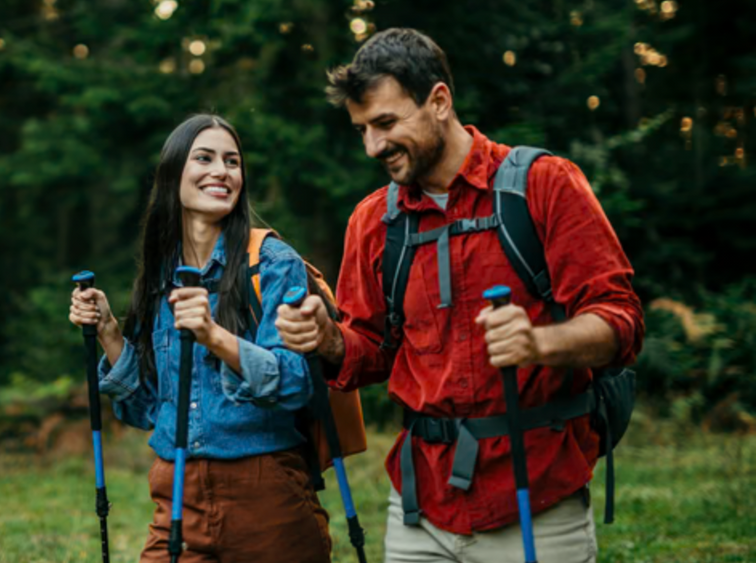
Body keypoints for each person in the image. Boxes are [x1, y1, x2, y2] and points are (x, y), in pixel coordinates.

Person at [276, 28, 644, 563]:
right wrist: (329, 339)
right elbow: (371, 352)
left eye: (385, 123)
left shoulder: (543, 185)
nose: (373, 146)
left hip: (535, 495)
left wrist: (541, 343)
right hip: (419, 508)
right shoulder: (374, 221)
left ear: (439, 102)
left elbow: (621, 320)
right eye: (361, 130)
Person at [69, 113, 331, 563]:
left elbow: (292, 382)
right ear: (174, 175)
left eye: (232, 161)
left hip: (266, 492)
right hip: (177, 491)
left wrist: (213, 335)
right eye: (204, 158)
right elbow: (147, 407)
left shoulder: (271, 263)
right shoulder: (159, 276)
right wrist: (110, 334)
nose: (221, 171)